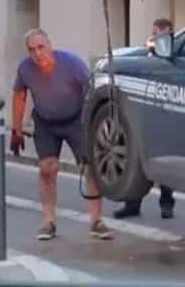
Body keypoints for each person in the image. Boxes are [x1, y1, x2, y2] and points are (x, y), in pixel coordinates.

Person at [11, 28, 112, 241]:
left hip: (76, 119)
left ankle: (96, 221)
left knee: (90, 167)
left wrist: (96, 123)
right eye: (32, 50)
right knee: (47, 168)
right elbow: (19, 95)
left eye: (41, 47)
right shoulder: (25, 69)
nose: (38, 53)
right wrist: (16, 130)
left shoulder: (72, 64)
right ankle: (48, 222)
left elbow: (92, 91)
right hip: (45, 121)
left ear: (50, 46)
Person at [114, 18, 176, 220]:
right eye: (153, 32)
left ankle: (166, 204)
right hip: (144, 113)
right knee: (136, 160)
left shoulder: (172, 54)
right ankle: (132, 204)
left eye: (158, 32)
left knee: (164, 163)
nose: (154, 36)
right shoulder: (148, 53)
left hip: (165, 115)